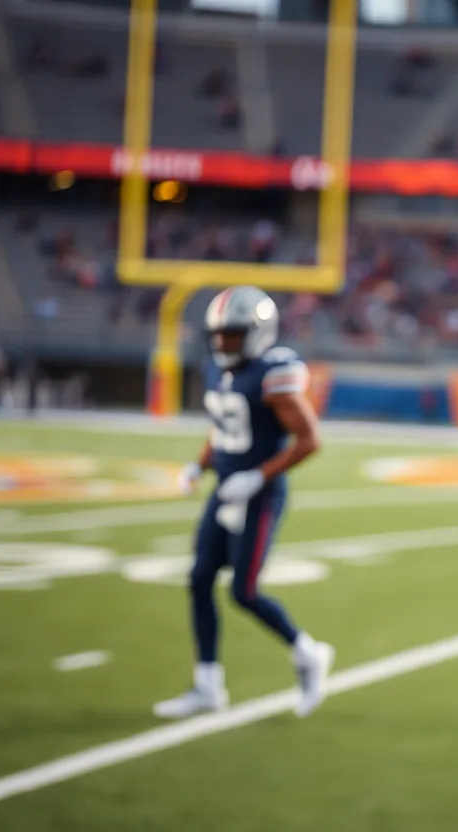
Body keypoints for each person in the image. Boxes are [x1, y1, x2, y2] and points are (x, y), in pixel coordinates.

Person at [154, 286, 334, 720]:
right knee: (198, 578)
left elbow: (310, 440)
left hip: (260, 495)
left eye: (231, 334)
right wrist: (199, 466)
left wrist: (258, 476)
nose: (222, 343)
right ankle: (208, 685)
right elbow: (222, 429)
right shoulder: (219, 369)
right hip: (226, 489)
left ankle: (308, 652)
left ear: (255, 332)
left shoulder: (275, 373)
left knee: (244, 591)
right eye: (217, 334)